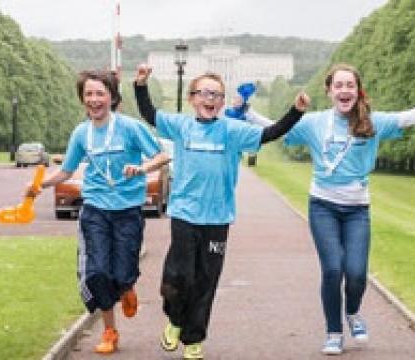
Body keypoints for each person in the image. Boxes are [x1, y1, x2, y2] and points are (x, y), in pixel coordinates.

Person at [242, 63, 415, 355]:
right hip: (323, 207)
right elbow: (277, 127)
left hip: (356, 211)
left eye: (349, 85)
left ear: (357, 90)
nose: (344, 90)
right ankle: (334, 332)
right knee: (332, 269)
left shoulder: (372, 122)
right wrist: (247, 111)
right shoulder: (315, 122)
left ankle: (352, 312)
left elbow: (411, 116)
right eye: (338, 85)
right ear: (329, 91)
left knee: (356, 273)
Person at [133, 64, 310, 360]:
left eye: (216, 94)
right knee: (178, 276)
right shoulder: (180, 125)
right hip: (185, 215)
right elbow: (150, 113)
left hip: (218, 219)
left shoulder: (232, 130)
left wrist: (296, 111)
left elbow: (270, 133)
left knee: (205, 281)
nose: (210, 98)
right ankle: (175, 319)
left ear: (222, 102)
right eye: (204, 93)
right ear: (192, 99)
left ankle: (193, 338)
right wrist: (140, 84)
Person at [27, 70, 170, 354]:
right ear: (83, 100)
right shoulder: (82, 133)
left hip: (128, 210)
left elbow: (163, 156)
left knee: (121, 272)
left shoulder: (130, 128)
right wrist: (39, 184)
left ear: (112, 97)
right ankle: (109, 330)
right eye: (88, 94)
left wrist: (141, 168)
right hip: (94, 210)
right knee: (96, 272)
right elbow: (67, 171)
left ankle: (127, 286)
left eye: (99, 93)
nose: (94, 99)